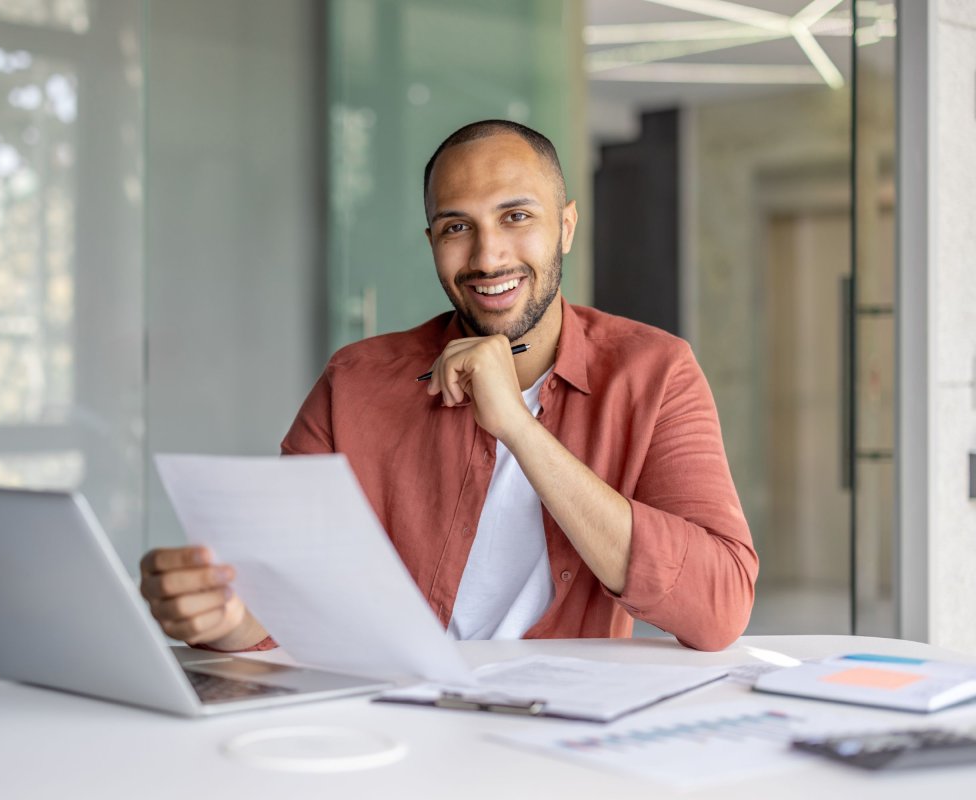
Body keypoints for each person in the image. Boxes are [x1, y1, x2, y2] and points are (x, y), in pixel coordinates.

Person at [140, 120, 757, 653]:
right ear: (432, 242)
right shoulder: (355, 382)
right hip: (391, 720)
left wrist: (518, 424)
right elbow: (280, 598)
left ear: (566, 227)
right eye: (457, 227)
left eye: (516, 217)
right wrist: (220, 618)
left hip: (555, 740)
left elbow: (720, 606)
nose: (488, 258)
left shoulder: (655, 371)